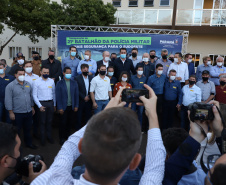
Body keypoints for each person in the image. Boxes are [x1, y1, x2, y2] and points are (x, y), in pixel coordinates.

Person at [31, 84, 166, 185]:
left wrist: (105, 112)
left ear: (81, 146)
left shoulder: (49, 181)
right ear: (134, 162)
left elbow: (69, 148)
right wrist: (152, 116)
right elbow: (155, 168)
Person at [5, 68, 37, 149]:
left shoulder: (28, 84)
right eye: (20, 74)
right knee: (17, 131)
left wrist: (32, 107)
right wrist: (10, 112)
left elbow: (30, 96)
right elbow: (8, 100)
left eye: (23, 74)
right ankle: (17, 147)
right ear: (15, 75)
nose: (22, 76)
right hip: (17, 113)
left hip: (28, 111)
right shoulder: (10, 86)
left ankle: (29, 143)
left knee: (28, 129)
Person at [33, 66, 56, 146]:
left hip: (50, 103)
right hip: (41, 103)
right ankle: (42, 139)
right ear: (41, 72)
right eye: (44, 72)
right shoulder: (36, 81)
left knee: (49, 121)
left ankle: (49, 137)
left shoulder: (51, 82)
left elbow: (54, 93)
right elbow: (34, 95)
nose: (46, 74)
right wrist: (39, 106)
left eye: (47, 73)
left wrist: (54, 104)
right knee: (42, 122)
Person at [56, 67, 79, 145]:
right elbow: (58, 97)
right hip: (63, 107)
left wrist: (76, 105)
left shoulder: (74, 82)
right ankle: (62, 138)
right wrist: (59, 107)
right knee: (62, 123)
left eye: (70, 72)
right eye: (67, 72)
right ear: (63, 73)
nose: (69, 74)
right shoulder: (59, 83)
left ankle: (67, 137)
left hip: (71, 107)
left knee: (70, 123)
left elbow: (76, 95)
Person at [75, 64, 93, 130]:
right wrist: (83, 97)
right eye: (84, 69)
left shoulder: (91, 78)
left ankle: (87, 132)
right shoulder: (77, 78)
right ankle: (78, 132)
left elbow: (92, 89)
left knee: (88, 117)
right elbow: (77, 89)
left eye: (87, 69)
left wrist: (89, 97)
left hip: (89, 101)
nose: (86, 70)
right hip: (80, 101)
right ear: (81, 70)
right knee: (79, 118)